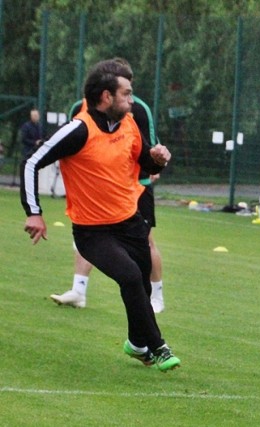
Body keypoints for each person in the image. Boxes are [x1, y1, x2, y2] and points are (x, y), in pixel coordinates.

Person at [20, 58, 180, 371]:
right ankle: (159, 348)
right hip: (93, 232)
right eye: (126, 94)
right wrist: (34, 213)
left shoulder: (129, 123)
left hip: (130, 223)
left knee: (141, 287)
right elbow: (32, 162)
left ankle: (137, 345)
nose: (132, 101)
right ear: (106, 97)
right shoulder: (78, 130)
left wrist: (158, 159)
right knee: (131, 276)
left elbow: (146, 164)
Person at [50, 65, 165, 313]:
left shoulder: (138, 110)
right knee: (89, 237)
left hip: (136, 188)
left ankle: (156, 297)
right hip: (94, 193)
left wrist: (153, 166)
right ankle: (78, 290)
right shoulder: (78, 110)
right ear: (105, 92)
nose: (128, 96)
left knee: (145, 241)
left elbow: (149, 148)